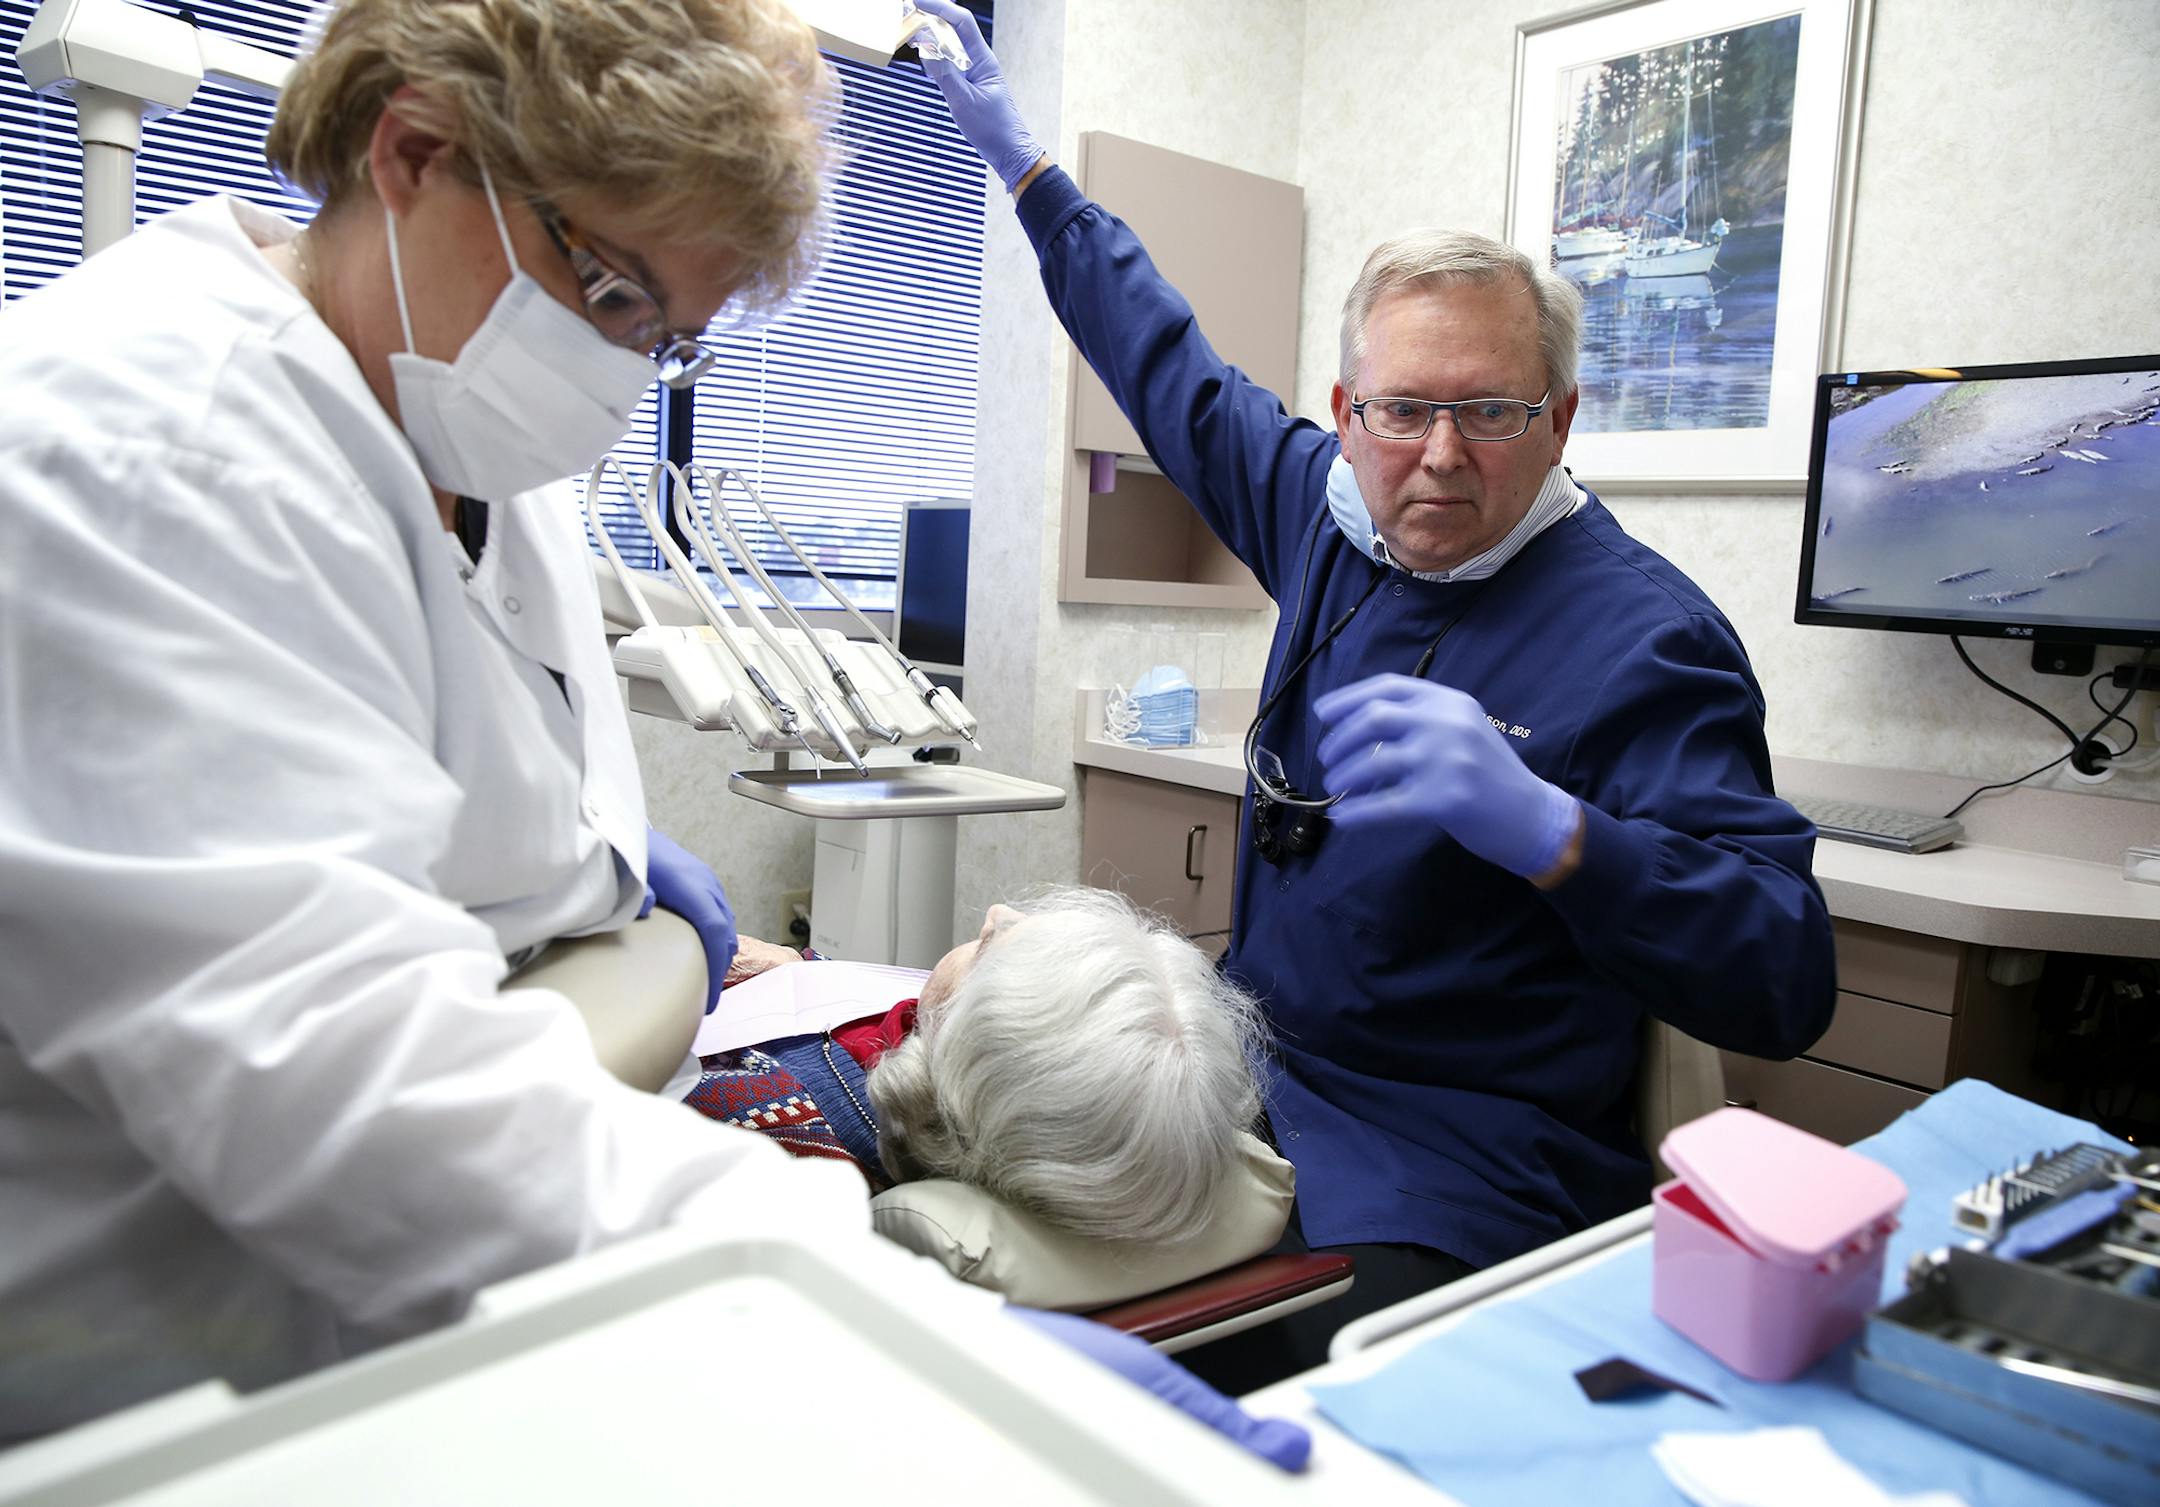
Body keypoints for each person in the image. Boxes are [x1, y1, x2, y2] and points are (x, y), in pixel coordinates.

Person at [0, 2, 1308, 1466]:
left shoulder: (467, 436)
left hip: (445, 1314)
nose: (627, 377)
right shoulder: (141, 461)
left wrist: (622, 880)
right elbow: (360, 1099)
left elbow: (493, 791)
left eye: (673, 337)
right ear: (416, 147)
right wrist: (890, 1311)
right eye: (618, 296)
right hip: (164, 1379)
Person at [911, 0, 1837, 1379]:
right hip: (1253, 1086)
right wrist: (1029, 175)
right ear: (1348, 410)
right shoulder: (1326, 513)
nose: (1441, 458)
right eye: (1403, 409)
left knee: (1166, 1384)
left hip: (1460, 1158)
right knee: (938, 1239)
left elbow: (1783, 973)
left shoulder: (1651, 644)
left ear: (1561, 418)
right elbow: (1164, 360)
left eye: (1492, 411)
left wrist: (1560, 834)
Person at [694, 889, 1267, 1245]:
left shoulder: (770, 1124)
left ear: (968, 1059)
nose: (997, 914)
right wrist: (801, 968)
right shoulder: (949, 1042)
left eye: (991, 951)